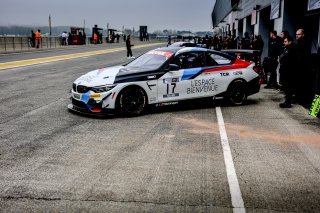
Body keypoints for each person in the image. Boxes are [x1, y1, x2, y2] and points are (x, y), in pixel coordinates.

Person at [279, 35, 299, 108]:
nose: (284, 43)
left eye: (285, 41)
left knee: (288, 88)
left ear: (290, 42)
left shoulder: (292, 49)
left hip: (290, 72)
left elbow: (288, 60)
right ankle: (287, 102)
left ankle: (288, 103)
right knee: (286, 88)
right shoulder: (287, 48)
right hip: (286, 71)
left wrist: (282, 59)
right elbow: (282, 57)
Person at [296, 28, 312, 105]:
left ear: (303, 35)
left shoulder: (304, 43)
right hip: (301, 67)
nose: (297, 36)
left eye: (298, 34)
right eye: (296, 34)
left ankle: (313, 110)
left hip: (304, 67)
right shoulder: (300, 43)